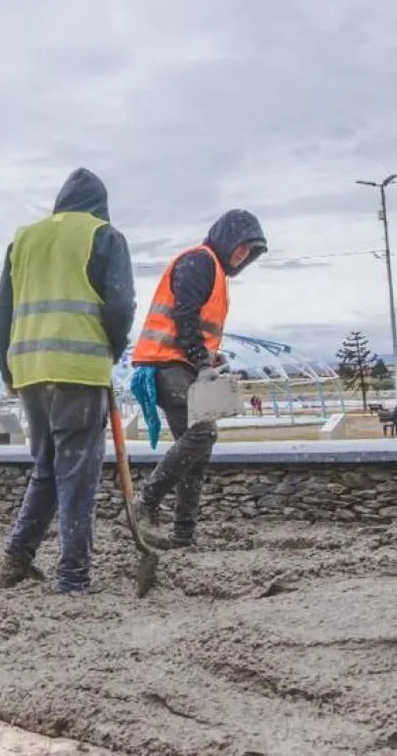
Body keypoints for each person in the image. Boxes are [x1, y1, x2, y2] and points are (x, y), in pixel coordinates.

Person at [0, 167, 136, 594]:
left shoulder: (23, 241)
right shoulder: (104, 236)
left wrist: (8, 372)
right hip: (79, 371)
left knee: (48, 467)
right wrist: (111, 348)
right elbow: (121, 303)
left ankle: (17, 558)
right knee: (77, 473)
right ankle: (73, 577)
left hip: (30, 371)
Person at [131, 210, 267, 549]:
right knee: (202, 433)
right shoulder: (199, 261)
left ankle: (183, 534)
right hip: (166, 364)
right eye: (240, 248)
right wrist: (199, 359)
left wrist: (209, 359)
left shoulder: (214, 271)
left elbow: (197, 325)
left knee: (197, 452)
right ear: (226, 238)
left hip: (179, 364)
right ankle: (143, 503)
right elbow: (184, 314)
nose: (242, 256)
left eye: (248, 253)